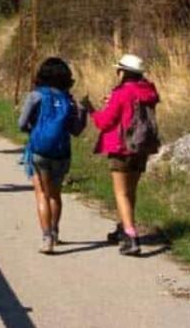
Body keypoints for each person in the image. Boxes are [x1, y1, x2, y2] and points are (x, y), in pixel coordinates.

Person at [90, 53, 160, 256]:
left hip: (121, 147)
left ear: (122, 72)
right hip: (142, 146)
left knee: (120, 193)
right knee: (131, 191)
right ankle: (124, 227)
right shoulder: (148, 91)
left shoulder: (121, 93)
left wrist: (93, 112)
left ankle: (131, 236)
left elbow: (105, 122)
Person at [18, 57, 89, 254]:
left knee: (41, 194)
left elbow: (21, 124)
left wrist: (34, 130)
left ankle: (46, 237)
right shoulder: (69, 99)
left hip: (39, 150)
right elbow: (75, 130)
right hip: (62, 151)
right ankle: (56, 233)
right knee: (55, 195)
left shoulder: (36, 96)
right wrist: (83, 112)